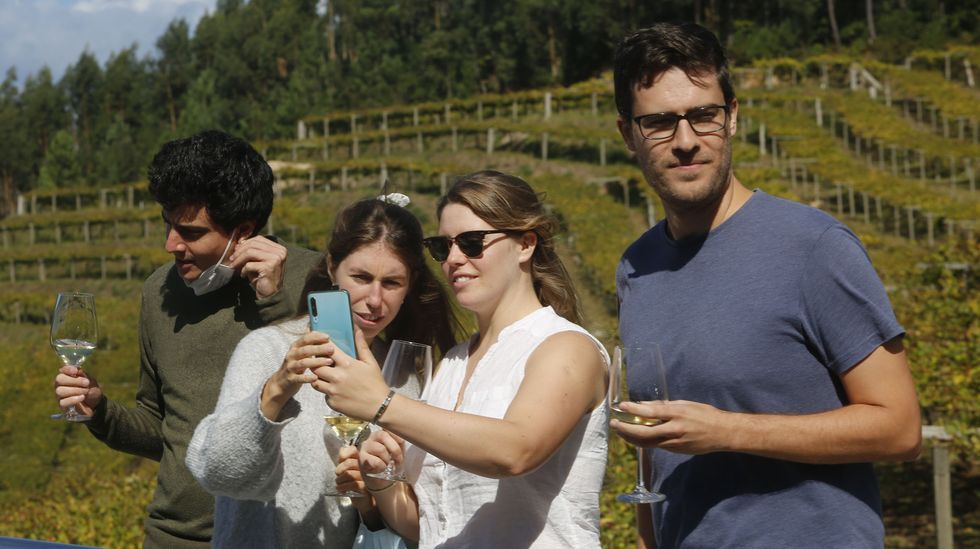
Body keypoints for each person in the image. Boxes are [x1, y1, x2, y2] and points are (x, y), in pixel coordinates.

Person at [610, 22, 922, 548]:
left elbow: (900, 429)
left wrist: (728, 432)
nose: (686, 141)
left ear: (731, 117)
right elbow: (655, 450)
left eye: (703, 115)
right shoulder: (636, 266)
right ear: (628, 135)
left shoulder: (813, 246)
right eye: (660, 123)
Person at [52, 130, 323, 548]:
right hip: (174, 539)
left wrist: (272, 300)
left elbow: (330, 403)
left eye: (190, 232)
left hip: (280, 538)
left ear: (244, 231)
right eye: (167, 225)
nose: (170, 245)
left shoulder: (316, 280)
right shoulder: (159, 292)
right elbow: (162, 428)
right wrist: (100, 412)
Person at [312, 171, 609, 548]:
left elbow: (516, 450)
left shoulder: (564, 347)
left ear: (525, 244)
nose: (453, 259)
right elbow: (429, 523)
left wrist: (383, 403)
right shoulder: (450, 364)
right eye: (442, 247)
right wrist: (380, 480)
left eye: (471, 243)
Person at [186, 196, 460, 548]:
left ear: (410, 287)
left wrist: (372, 500)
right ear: (332, 268)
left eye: (391, 283)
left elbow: (418, 518)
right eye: (360, 277)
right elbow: (219, 474)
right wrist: (277, 389)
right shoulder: (268, 350)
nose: (374, 299)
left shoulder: (406, 378)